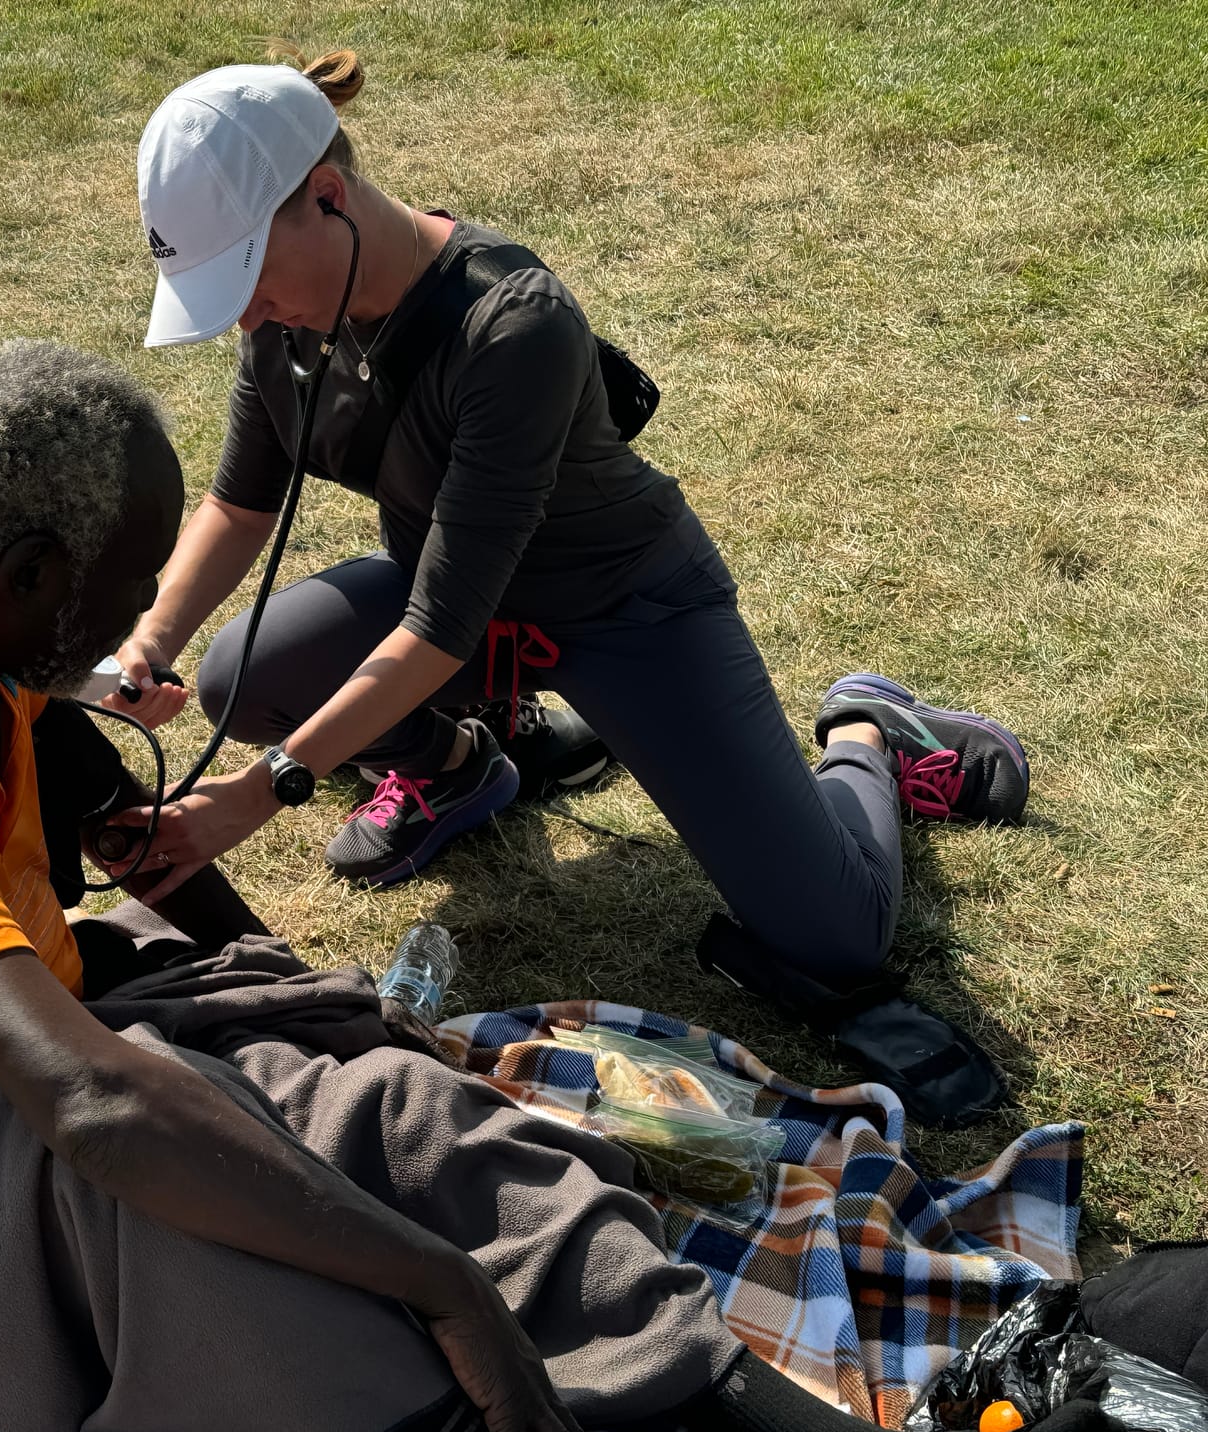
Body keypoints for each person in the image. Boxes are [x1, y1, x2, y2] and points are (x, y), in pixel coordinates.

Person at [0, 340, 1125, 1432]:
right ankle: (483, 1428)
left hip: (20, 1040)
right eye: (118, 591)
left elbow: (134, 851)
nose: (131, 631)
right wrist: (433, 1283)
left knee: (383, 1109)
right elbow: (91, 1103)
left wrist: (275, 988)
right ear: (31, 576)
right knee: (195, 1229)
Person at [107, 49, 1032, 1123]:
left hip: (625, 609)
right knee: (241, 675)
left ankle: (867, 736)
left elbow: (438, 632)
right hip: (451, 605)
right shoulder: (288, 327)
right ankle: (460, 770)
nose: (241, 317)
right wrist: (149, 643)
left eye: (247, 279)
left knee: (831, 933)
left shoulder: (514, 323)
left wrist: (260, 792)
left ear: (327, 196)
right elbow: (240, 506)